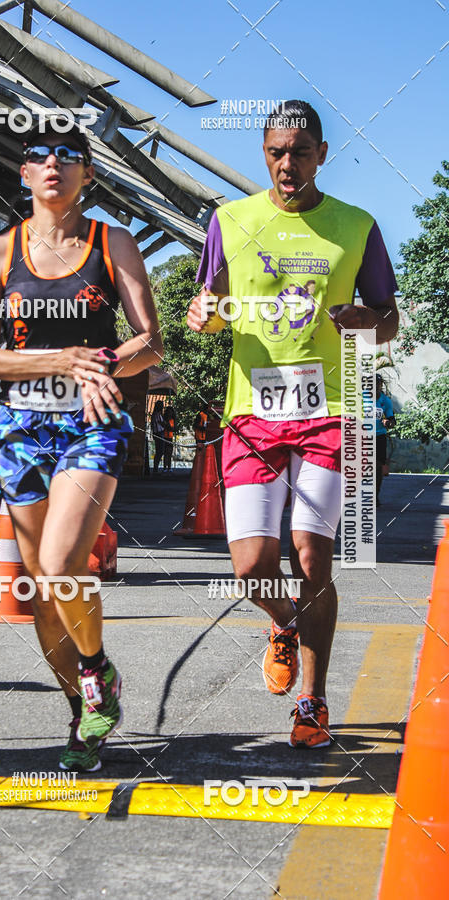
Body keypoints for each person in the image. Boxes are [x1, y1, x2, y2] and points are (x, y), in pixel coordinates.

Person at [187, 100, 399, 748]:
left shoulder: (356, 226)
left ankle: (314, 700)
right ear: (264, 153)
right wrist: (205, 316)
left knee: (313, 554)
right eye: (277, 152)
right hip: (253, 412)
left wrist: (371, 322)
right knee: (254, 565)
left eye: (300, 153)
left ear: (322, 155)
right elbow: (214, 304)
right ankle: (282, 623)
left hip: (329, 412)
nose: (288, 164)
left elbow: (389, 315)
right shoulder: (230, 221)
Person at [0, 120, 162, 771]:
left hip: (91, 423)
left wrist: (100, 360)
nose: (53, 164)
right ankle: (84, 716)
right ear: (23, 173)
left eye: (69, 156)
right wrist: (60, 359)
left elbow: (150, 342)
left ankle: (98, 669)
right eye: (38, 156)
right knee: (43, 595)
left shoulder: (114, 243)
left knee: (59, 566)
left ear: (88, 173)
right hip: (20, 431)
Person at [375, 373, 395, 506]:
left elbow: (392, 420)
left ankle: (374, 495)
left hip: (379, 436)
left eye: (377, 383)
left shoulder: (385, 401)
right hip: (360, 436)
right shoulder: (360, 398)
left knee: (377, 467)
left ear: (381, 385)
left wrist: (387, 422)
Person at [151, 399, 165, 474]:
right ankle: (155, 468)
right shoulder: (157, 414)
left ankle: (155, 468)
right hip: (159, 433)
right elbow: (162, 423)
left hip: (158, 432)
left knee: (159, 451)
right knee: (160, 451)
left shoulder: (156, 414)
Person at [163, 404, 176, 472]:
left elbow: (173, 429)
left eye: (171, 412)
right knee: (165, 453)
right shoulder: (164, 419)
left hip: (170, 437)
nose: (170, 414)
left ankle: (169, 467)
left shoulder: (173, 420)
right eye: (168, 412)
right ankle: (165, 467)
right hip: (165, 437)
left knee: (169, 453)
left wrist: (168, 426)